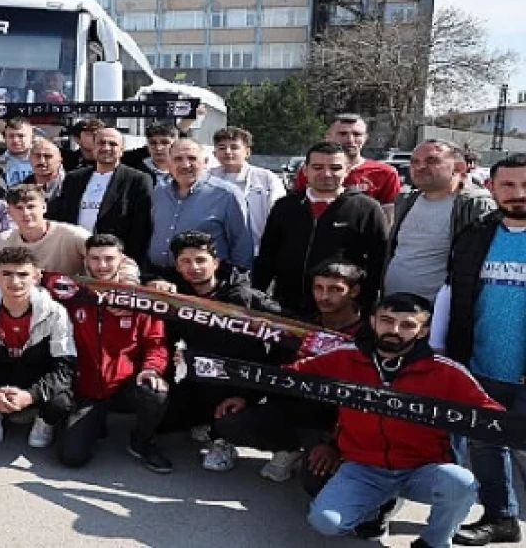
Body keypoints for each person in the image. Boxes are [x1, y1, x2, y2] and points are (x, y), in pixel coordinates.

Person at [294, 293, 498, 548]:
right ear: (372, 321)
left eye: (408, 325)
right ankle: (377, 508)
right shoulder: (344, 357)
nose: (395, 330)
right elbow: (288, 376)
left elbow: (493, 415)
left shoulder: (446, 371)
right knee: (325, 523)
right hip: (363, 468)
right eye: (387, 320)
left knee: (460, 482)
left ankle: (434, 542)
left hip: (423, 469)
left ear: (423, 331)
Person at [431, 153, 526, 546]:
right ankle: (501, 517)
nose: (518, 194)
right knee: (486, 445)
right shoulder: (476, 235)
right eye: (508, 185)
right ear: (491, 187)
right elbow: (454, 295)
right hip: (481, 366)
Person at [212, 261, 367, 484]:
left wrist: (333, 444)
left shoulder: (368, 338)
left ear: (354, 291)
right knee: (230, 422)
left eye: (335, 289)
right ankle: (289, 449)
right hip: (289, 411)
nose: (324, 296)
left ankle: (335, 458)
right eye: (318, 288)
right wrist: (246, 397)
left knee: (315, 483)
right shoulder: (299, 325)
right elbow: (272, 365)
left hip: (332, 425)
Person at [157, 231, 285, 471]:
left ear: (215, 263)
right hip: (197, 376)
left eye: (201, 260)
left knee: (232, 420)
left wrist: (248, 395)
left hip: (240, 382)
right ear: (177, 265)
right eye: (185, 261)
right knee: (162, 416)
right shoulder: (176, 293)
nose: (194, 267)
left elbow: (289, 327)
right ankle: (201, 421)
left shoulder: (244, 296)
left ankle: (224, 440)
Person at [47, 234, 172, 473]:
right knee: (72, 457)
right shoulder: (71, 295)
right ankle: (91, 423)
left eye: (109, 259)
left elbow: (156, 343)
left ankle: (142, 441)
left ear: (121, 259)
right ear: (85, 260)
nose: (102, 266)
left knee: (155, 392)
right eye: (95, 259)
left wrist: (151, 370)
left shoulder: (139, 299)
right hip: (86, 388)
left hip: (124, 385)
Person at [252, 142, 388, 316]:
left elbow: (378, 262)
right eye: (318, 167)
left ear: (347, 171)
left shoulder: (367, 208)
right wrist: (257, 295)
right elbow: (267, 256)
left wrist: (365, 305)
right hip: (286, 307)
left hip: (340, 313)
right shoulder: (285, 206)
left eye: (335, 168)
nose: (326, 174)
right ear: (305, 170)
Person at [0, 247, 76, 447]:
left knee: (61, 402)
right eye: (7, 274)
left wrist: (30, 395)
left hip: (35, 376)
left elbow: (64, 368)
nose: (15, 282)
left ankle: (43, 420)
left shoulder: (55, 312)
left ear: (36, 277)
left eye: (23, 274)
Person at [0, 184, 106, 304]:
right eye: (19, 208)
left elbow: (113, 258)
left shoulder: (73, 235)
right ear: (10, 212)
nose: (26, 213)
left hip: (73, 304)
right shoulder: (4, 241)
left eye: (31, 206)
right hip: (24, 309)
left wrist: (127, 285)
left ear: (43, 207)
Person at [383, 139, 495, 303]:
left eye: (432, 161)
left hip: (439, 315)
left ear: (459, 167)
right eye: (414, 162)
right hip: (393, 309)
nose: (420, 167)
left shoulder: (476, 205)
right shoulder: (406, 200)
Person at [49, 123, 155, 265]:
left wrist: (130, 262)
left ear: (122, 150)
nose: (106, 148)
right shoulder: (74, 178)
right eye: (101, 143)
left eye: (112, 144)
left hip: (113, 261)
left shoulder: (138, 180)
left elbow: (141, 227)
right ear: (93, 148)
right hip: (76, 256)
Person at [146, 139, 253, 278]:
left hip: (203, 283)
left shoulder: (226, 195)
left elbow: (241, 244)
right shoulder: (159, 192)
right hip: (158, 277)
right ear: (169, 163)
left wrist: (237, 283)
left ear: (205, 162)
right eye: (178, 159)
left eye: (192, 158)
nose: (185, 165)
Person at [293, 114, 402, 223]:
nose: (350, 140)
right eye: (342, 134)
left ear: (365, 138)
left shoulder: (385, 173)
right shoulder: (310, 171)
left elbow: (389, 219)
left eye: (357, 134)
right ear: (328, 136)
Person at [208, 127, 285, 255]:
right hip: (216, 253)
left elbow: (279, 215)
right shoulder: (206, 178)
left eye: (234, 147)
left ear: (247, 152)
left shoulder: (266, 178)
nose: (228, 152)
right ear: (214, 153)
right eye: (222, 148)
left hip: (258, 251)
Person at [0, 117, 35, 186]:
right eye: (11, 136)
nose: (15, 140)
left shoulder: (43, 160)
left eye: (21, 136)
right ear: (5, 138)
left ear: (32, 137)